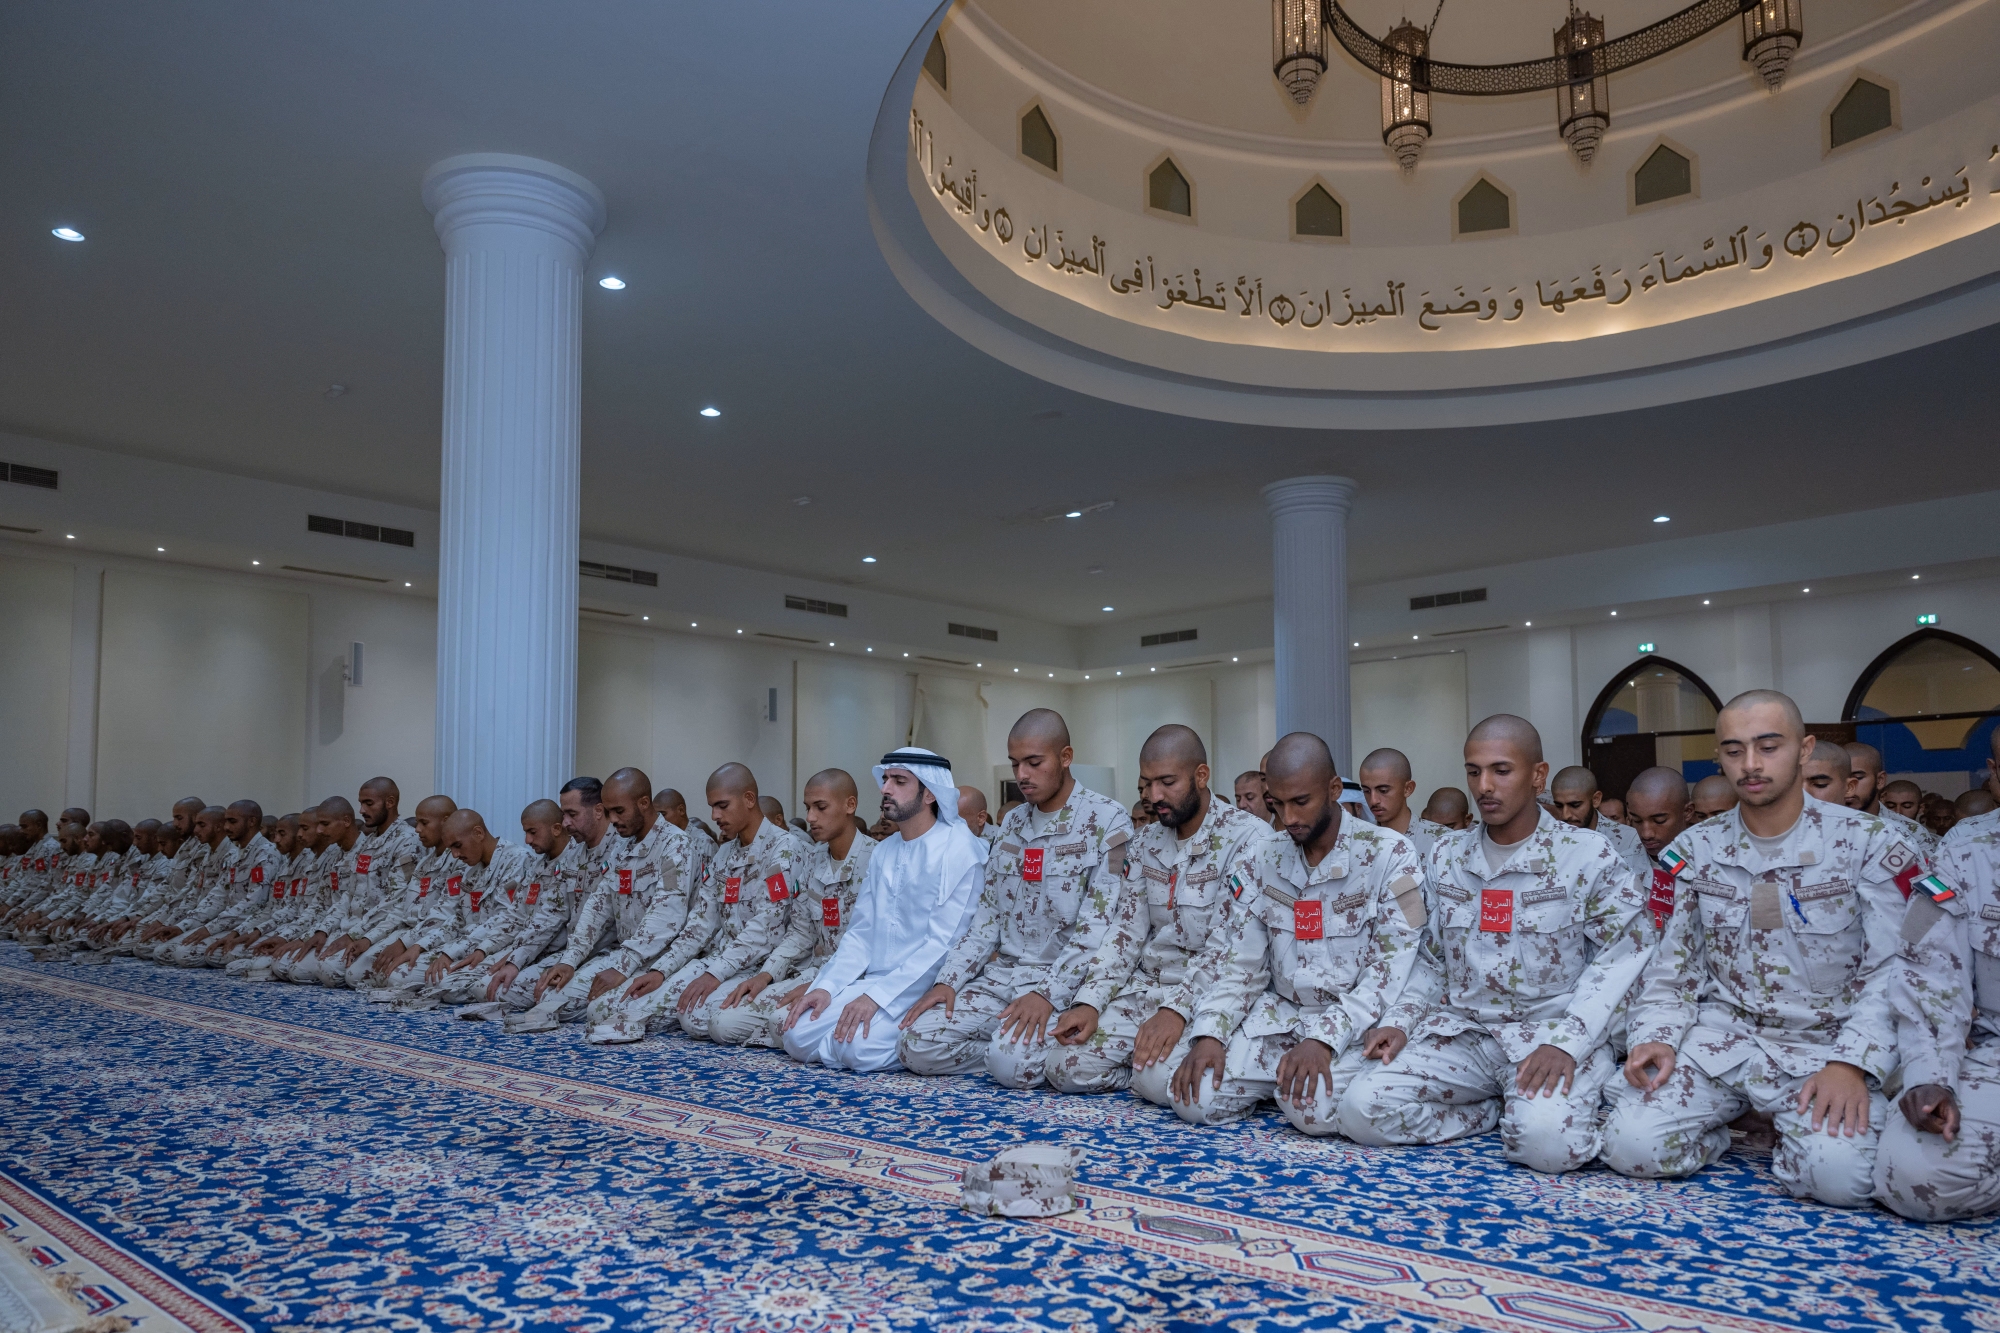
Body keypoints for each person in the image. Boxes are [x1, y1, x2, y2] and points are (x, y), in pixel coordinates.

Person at [1602, 690, 1905, 1207]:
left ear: (1805, 749)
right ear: (1719, 756)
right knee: (1631, 1149)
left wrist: (1852, 1064)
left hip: (1823, 1047)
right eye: (1734, 750)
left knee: (1838, 1180)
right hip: (1722, 1039)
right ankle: (1728, 1127)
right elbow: (1671, 968)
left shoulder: (1870, 844)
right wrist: (1656, 1036)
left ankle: (1795, 1132)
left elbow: (1897, 969)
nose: (1751, 764)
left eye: (1768, 746)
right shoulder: (1693, 851)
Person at [1339, 716, 1651, 1174]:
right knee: (1358, 1110)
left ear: (1538, 775)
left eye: (1501, 770)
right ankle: (1489, 1113)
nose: (1484, 785)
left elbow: (1622, 959)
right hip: (1464, 1035)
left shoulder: (1587, 855)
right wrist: (1403, 1021)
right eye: (1473, 771)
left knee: (1546, 1148)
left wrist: (1569, 1041)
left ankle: (1534, 1110)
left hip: (1548, 1034)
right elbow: (1432, 958)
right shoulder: (1448, 856)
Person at [1161, 732, 1431, 1134]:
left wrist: (1323, 1040)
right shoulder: (1263, 856)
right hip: (1282, 1017)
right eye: (1278, 803)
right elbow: (1242, 961)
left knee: (1308, 1111)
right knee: (1190, 1097)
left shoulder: (1390, 854)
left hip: (1354, 1025)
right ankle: (1280, 1082)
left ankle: (1292, 1086)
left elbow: (1390, 971)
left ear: (1334, 789)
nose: (1289, 818)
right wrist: (1212, 1032)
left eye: (1301, 802)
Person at [899, 709, 1133, 1087]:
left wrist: (1047, 993)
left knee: (1011, 1066)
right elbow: (987, 916)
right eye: (1015, 763)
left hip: (1060, 982)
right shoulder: (1013, 823)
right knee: (914, 1043)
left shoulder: (1107, 820)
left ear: (1066, 757)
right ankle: (1000, 1053)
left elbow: (1097, 929)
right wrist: (949, 981)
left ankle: (1027, 1057)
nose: (1021, 775)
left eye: (1034, 762)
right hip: (1001, 978)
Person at [1045, 725, 1275, 1105]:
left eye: (1167, 782)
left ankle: (1153, 1072)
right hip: (1147, 988)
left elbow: (1229, 947)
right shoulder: (1146, 842)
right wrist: (1091, 1000)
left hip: (1208, 993)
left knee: (1163, 1082)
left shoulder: (1249, 840)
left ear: (1201, 776)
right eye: (1147, 784)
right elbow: (1125, 934)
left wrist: (1176, 1010)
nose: (1154, 796)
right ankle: (1141, 1071)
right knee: (1063, 1066)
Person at [783, 748, 988, 1072]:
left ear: (930, 793)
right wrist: (827, 987)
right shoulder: (885, 851)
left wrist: (878, 998)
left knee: (857, 1049)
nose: (885, 788)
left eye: (899, 781)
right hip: (874, 980)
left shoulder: (959, 849)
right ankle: (840, 1043)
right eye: (886, 779)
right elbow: (862, 933)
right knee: (796, 1032)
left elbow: (943, 945)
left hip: (924, 987)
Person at [1873, 727, 2000, 1220]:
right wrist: (1930, 1076)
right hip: (1994, 1051)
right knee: (1911, 1179)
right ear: (1995, 776)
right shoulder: (1965, 851)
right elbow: (1930, 970)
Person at [577, 764, 785, 1042]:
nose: (714, 816)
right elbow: (699, 923)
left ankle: (765, 1023)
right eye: (712, 807)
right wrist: (662, 970)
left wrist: (714, 973)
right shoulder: (724, 855)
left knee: (699, 1019)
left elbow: (764, 929)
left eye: (722, 806)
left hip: (757, 966)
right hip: (716, 959)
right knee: (603, 1008)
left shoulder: (783, 850)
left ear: (749, 799)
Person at [513, 768, 697, 1036]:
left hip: (662, 958)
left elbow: (665, 915)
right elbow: (598, 906)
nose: (612, 820)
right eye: (608, 812)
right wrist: (570, 960)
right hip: (625, 954)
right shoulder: (623, 847)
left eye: (618, 811)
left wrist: (622, 967)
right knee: (550, 999)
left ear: (644, 804)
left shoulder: (675, 843)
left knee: (599, 1010)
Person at [710, 769, 875, 1049]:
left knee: (782, 1022)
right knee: (721, 1023)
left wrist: (825, 985)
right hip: (814, 970)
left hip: (857, 979)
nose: (811, 818)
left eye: (820, 808)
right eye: (808, 808)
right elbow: (800, 933)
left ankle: (793, 1030)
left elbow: (876, 947)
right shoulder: (813, 859)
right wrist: (767, 975)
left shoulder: (877, 860)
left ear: (850, 805)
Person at [1548, 767, 1650, 877]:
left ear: (1596, 800)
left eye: (1575, 805)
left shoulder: (1629, 840)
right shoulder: (1548, 840)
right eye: (1559, 806)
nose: (1565, 815)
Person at [1357, 748, 1431, 856]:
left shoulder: (1441, 842)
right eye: (1366, 791)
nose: (1373, 801)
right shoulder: (1358, 843)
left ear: (1408, 789)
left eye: (1383, 791)